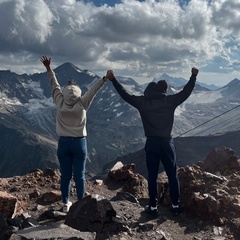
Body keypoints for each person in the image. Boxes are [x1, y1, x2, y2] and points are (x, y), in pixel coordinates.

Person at [106, 67, 199, 217]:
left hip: (152, 143)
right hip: (167, 143)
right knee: (172, 174)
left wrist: (114, 80)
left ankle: (153, 207)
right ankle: (175, 206)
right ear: (163, 91)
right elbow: (185, 93)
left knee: (152, 175)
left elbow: (126, 95)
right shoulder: (169, 101)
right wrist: (193, 76)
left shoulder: (143, 102)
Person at [40, 55, 107, 212]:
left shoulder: (60, 101)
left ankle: (65, 203)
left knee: (65, 176)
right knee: (80, 175)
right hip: (79, 143)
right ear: (78, 93)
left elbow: (54, 85)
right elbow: (93, 90)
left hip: (63, 143)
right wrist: (104, 79)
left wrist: (49, 68)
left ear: (64, 92)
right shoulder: (83, 103)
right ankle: (81, 204)